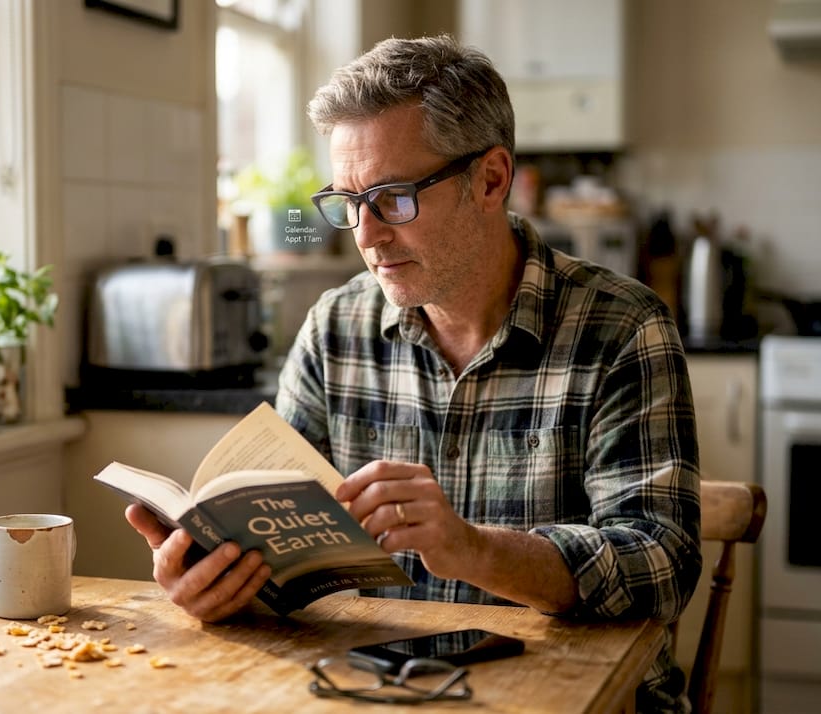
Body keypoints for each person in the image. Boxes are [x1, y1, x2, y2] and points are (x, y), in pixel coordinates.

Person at [126, 34, 702, 712]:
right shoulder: (334, 330)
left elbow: (660, 565)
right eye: (347, 201)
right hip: (380, 691)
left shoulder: (623, 329)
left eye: (393, 198)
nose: (365, 234)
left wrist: (473, 550)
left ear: (490, 179)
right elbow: (275, 542)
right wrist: (215, 578)